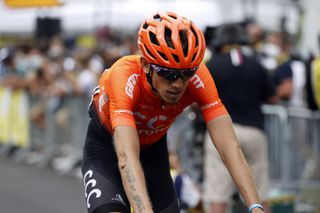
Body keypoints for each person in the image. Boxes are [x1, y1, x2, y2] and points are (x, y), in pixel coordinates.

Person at [81, 12, 265, 213]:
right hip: (106, 150)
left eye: (186, 73)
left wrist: (256, 206)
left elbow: (229, 146)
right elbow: (126, 156)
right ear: (146, 65)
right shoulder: (124, 76)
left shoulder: (200, 78)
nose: (178, 84)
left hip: (153, 152)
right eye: (167, 73)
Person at [203, 23, 277, 213]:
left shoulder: (213, 65)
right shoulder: (255, 64)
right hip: (254, 131)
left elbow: (198, 98)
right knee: (259, 195)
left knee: (218, 195)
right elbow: (272, 97)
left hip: (220, 133)